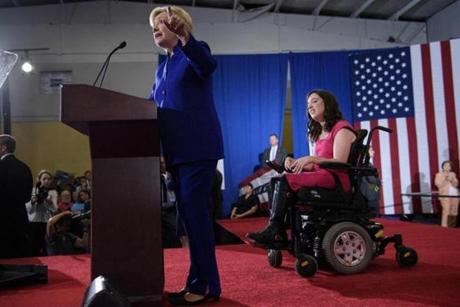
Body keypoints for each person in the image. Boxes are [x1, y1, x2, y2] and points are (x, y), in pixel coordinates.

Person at [148, 6, 223, 305]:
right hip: (176, 155)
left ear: (179, 26)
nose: (154, 29)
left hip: (197, 149)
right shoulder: (161, 68)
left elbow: (206, 65)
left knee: (196, 218)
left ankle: (206, 286)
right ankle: (199, 282)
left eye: (160, 24)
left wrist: (185, 39)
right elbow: (151, 106)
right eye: (151, 26)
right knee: (188, 222)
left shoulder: (194, 51)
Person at [248, 90, 356, 247]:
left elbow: (339, 162)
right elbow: (317, 165)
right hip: (323, 175)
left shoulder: (342, 128)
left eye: (314, 101)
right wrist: (296, 163)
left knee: (285, 180)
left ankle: (275, 230)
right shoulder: (319, 133)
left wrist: (310, 159)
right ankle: (280, 229)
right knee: (277, 179)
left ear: (328, 103)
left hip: (337, 180)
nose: (310, 106)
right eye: (308, 104)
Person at [0, 134, 33, 258]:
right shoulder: (24, 168)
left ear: (3, 148)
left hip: (1, 220)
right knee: (19, 256)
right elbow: (27, 197)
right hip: (19, 218)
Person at [26, 169, 58, 256]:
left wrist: (49, 202)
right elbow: (27, 209)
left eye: (48, 179)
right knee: (33, 246)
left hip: (46, 223)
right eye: (44, 179)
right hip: (33, 222)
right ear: (39, 180)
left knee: (45, 246)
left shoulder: (53, 192)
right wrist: (32, 201)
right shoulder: (32, 191)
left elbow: (55, 210)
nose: (46, 181)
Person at [435, 160, 459, 227]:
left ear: (451, 167)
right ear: (443, 167)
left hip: (455, 195)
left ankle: (452, 226)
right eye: (445, 165)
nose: (447, 167)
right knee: (446, 211)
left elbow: (456, 184)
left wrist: (452, 180)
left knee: (454, 211)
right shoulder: (439, 174)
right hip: (445, 195)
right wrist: (445, 179)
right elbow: (438, 184)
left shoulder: (453, 174)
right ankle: (445, 227)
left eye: (449, 166)